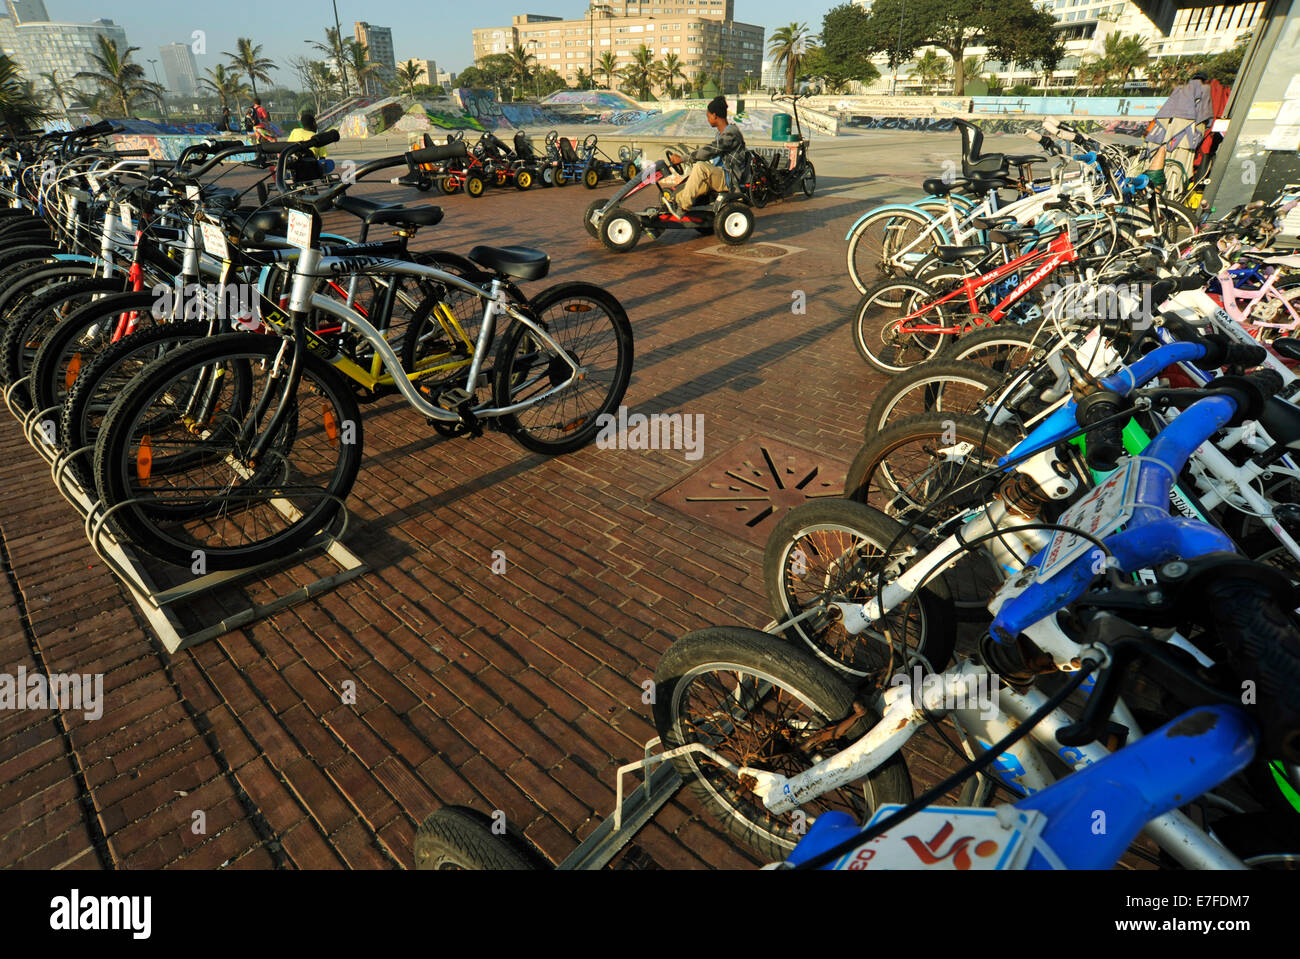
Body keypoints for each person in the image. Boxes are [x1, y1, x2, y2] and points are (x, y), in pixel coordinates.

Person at [662, 96, 748, 215]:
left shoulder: (731, 133)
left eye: (708, 116)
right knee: (685, 190)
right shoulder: (721, 134)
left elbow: (710, 150)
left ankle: (683, 208)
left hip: (729, 179)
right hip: (720, 175)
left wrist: (683, 158)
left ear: (714, 115)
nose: (707, 119)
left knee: (700, 167)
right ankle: (670, 207)